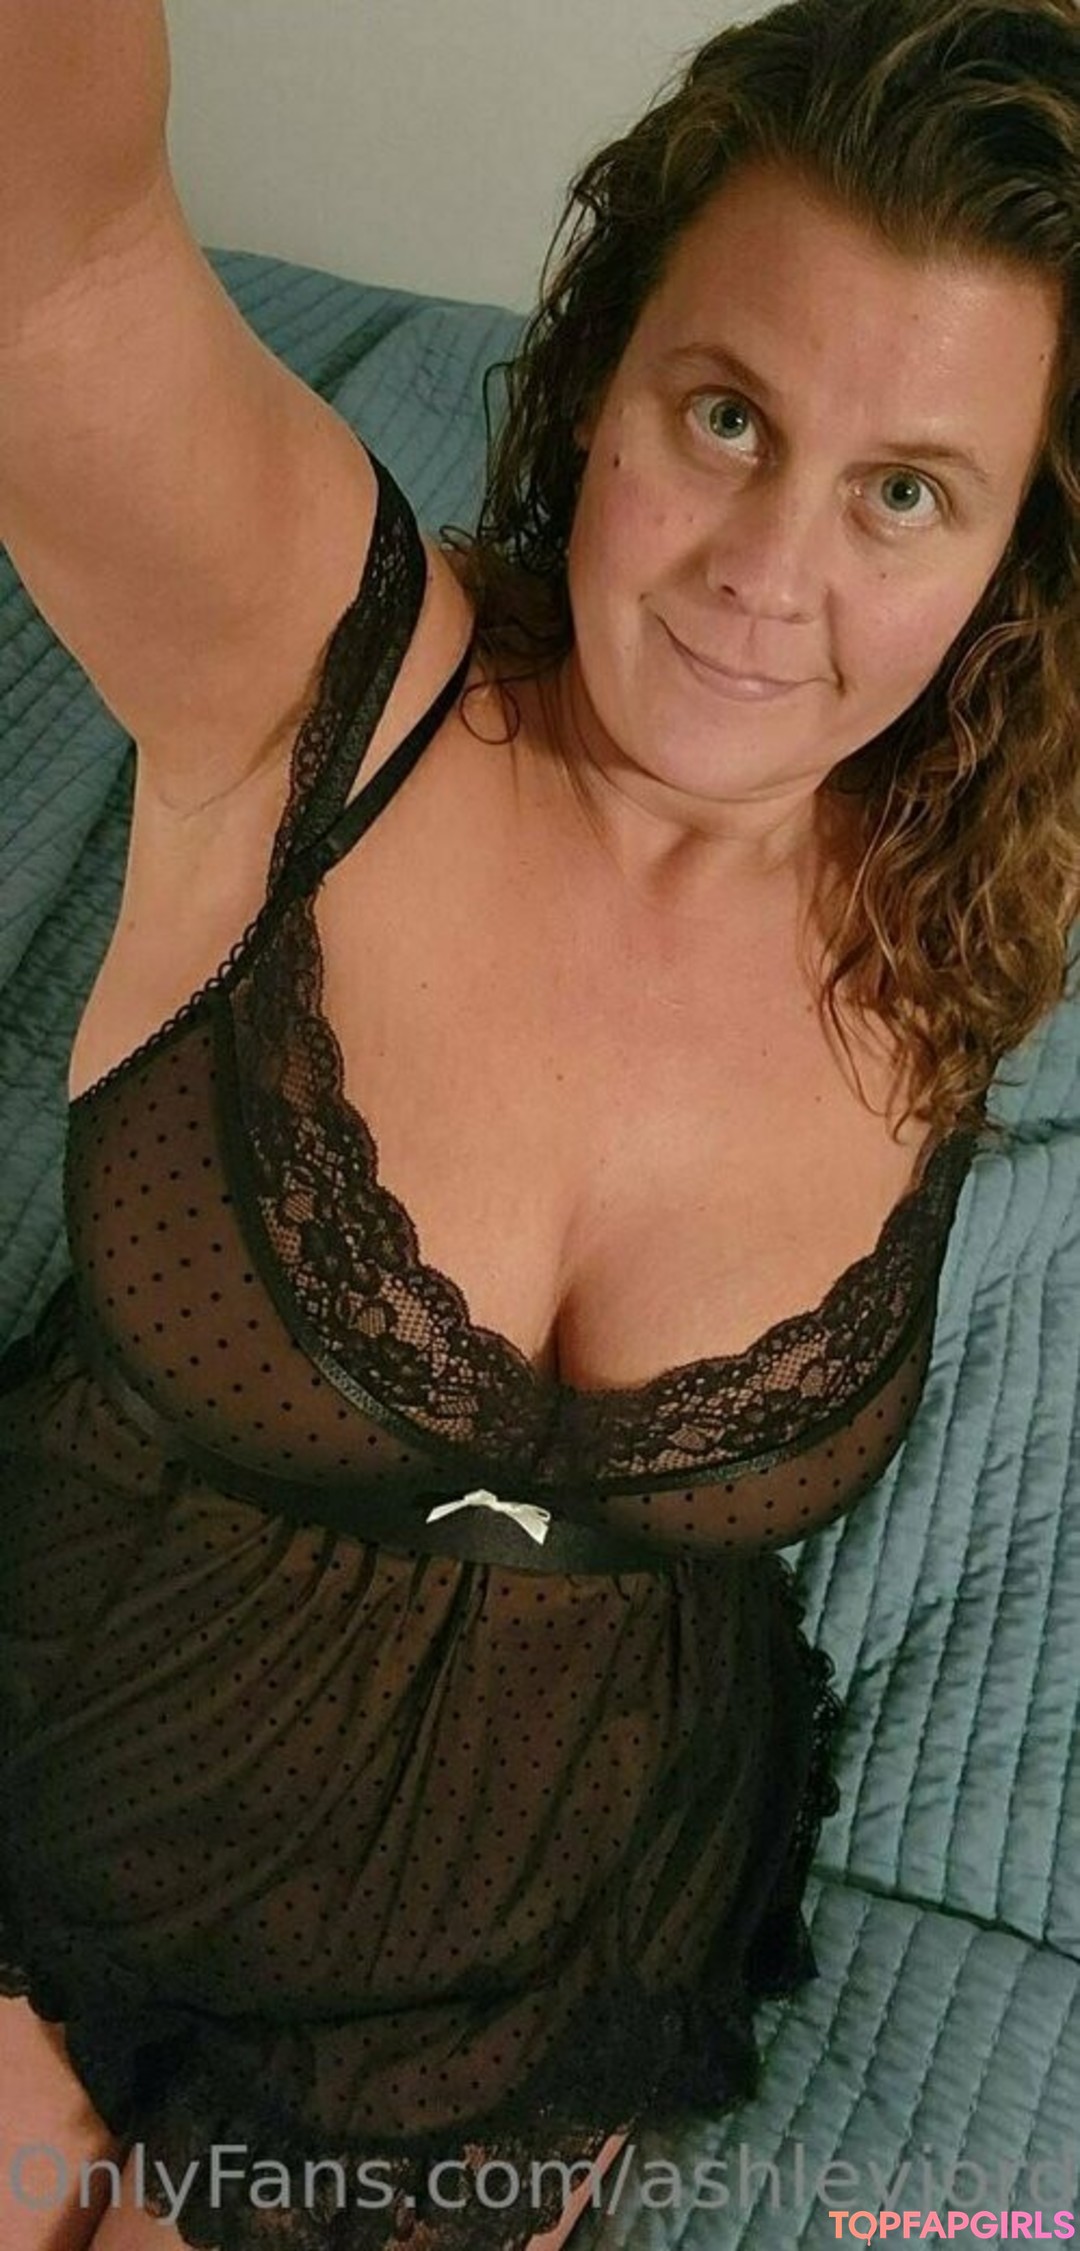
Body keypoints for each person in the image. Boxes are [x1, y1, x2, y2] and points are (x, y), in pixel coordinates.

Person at [0, 0, 1076, 2245]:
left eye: (906, 492)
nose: (767, 575)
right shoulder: (313, 679)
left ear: (1011, 554)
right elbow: (49, 246)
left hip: (542, 1957)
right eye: (726, 415)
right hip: (57, 1790)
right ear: (600, 378)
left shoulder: (974, 870)